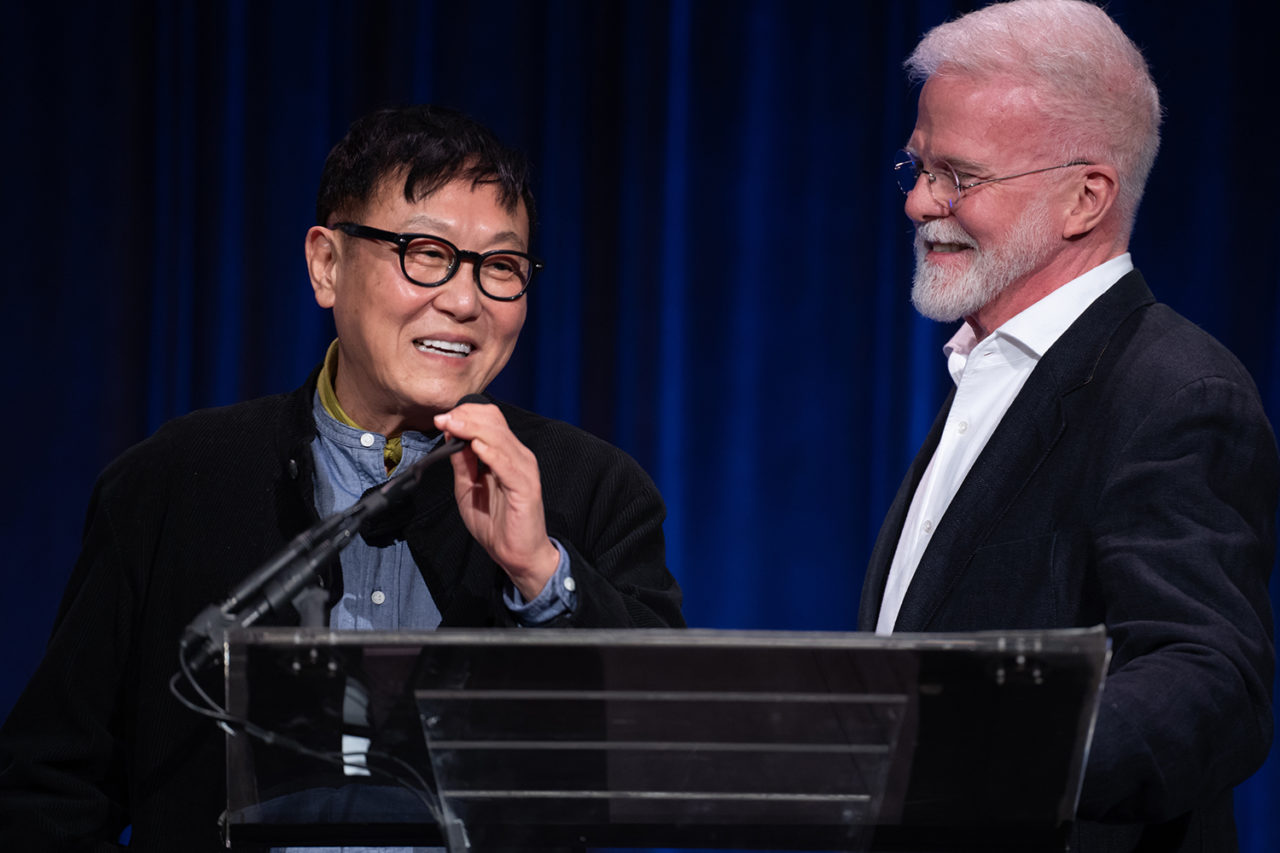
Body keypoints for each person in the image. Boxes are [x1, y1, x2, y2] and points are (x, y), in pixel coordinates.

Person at [0, 105, 684, 851]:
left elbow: (672, 755)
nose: (464, 299)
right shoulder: (171, 482)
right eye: (425, 252)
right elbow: (51, 785)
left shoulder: (591, 489)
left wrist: (540, 572)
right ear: (327, 264)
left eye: (501, 266)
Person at [858, 1, 1276, 851]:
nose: (920, 203)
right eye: (918, 165)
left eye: (960, 177)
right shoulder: (990, 367)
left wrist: (982, 754)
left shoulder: (1172, 390)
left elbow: (1210, 680)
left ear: (1085, 197)